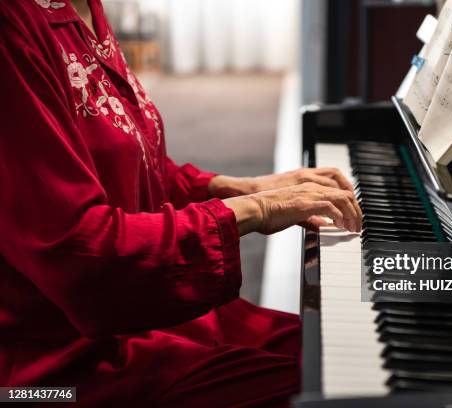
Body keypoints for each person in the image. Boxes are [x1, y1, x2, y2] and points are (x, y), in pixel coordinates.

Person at [0, 1, 362, 406]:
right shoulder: (14, 21)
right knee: (330, 386)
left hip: (144, 318)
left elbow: (132, 159)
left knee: (343, 349)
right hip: (60, 366)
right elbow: (77, 249)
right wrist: (255, 211)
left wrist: (241, 188)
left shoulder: (83, 7)